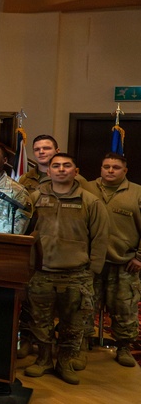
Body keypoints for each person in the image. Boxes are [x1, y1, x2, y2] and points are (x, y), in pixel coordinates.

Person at [24, 154, 109, 384]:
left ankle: (65, 362)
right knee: (39, 321)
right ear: (48, 171)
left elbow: (100, 239)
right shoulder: (35, 198)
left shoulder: (90, 202)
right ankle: (43, 360)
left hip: (76, 275)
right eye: (56, 166)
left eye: (66, 165)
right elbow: (25, 233)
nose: (61, 169)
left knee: (73, 324)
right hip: (42, 273)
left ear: (75, 171)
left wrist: (92, 271)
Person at [82, 153, 141, 368]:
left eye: (115, 167)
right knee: (85, 304)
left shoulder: (137, 193)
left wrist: (140, 257)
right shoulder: (87, 188)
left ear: (125, 171)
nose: (110, 170)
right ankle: (82, 343)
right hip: (91, 261)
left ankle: (124, 346)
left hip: (124, 262)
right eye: (106, 166)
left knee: (124, 307)